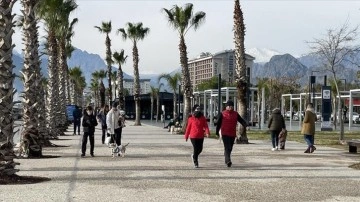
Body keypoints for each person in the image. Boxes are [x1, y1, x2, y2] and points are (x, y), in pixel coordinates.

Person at [215, 100, 247, 167]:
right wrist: (217, 132)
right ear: (226, 107)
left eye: (231, 106)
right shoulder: (222, 113)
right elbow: (218, 123)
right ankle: (228, 161)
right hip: (225, 133)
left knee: (230, 148)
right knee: (227, 147)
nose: (230, 107)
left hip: (232, 133)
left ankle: (226, 156)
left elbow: (241, 120)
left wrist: (246, 125)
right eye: (228, 106)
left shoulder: (235, 114)